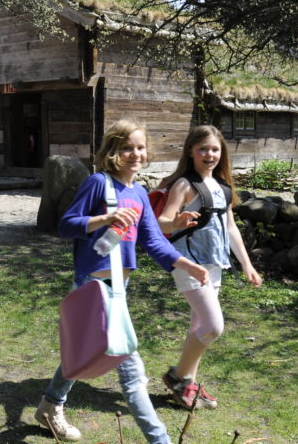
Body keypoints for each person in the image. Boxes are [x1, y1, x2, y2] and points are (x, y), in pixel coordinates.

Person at [35, 120, 209, 444]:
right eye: (127, 147)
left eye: (140, 147)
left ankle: (49, 405)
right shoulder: (98, 183)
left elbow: (154, 241)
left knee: (86, 348)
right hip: (94, 286)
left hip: (120, 289)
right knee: (131, 371)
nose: (135, 154)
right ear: (113, 151)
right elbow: (66, 225)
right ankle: (161, 440)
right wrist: (106, 219)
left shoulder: (139, 193)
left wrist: (188, 265)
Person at [156, 125, 263, 410]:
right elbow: (161, 222)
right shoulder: (184, 185)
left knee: (199, 326)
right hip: (189, 263)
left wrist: (247, 265)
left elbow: (230, 228)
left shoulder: (223, 187)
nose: (209, 154)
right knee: (213, 327)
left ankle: (188, 385)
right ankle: (178, 376)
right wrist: (176, 221)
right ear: (191, 151)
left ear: (222, 152)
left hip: (214, 263)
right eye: (203, 148)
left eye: (215, 149)